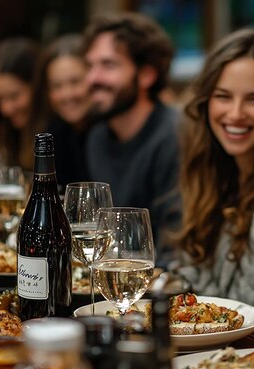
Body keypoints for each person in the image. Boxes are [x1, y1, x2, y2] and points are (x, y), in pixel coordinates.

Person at [168, 29, 254, 335]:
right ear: (205, 101)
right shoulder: (214, 167)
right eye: (223, 96)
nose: (235, 113)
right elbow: (193, 275)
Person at [83, 12, 181, 268]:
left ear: (146, 75)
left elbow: (176, 251)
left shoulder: (174, 136)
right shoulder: (98, 138)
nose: (92, 78)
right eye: (90, 66)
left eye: (108, 65)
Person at [31, 34, 90, 187]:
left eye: (75, 81)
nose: (67, 95)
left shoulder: (111, 133)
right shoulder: (54, 133)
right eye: (57, 86)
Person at [0, 38, 39, 171]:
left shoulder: (59, 133)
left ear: (36, 87)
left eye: (14, 96)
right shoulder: (0, 127)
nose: (6, 109)